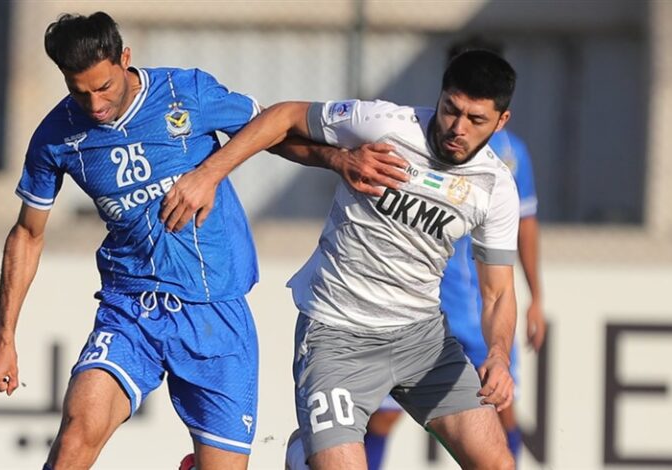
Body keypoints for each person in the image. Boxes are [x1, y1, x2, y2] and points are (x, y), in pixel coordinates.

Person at [0, 11, 408, 470]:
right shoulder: (55, 137)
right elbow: (26, 233)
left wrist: (338, 160)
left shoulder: (186, 93)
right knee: (76, 436)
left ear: (125, 59)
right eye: (80, 93)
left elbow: (271, 132)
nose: (95, 105)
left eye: (104, 88)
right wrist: (4, 336)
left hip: (214, 310)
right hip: (131, 307)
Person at [162, 50, 520, 469]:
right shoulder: (384, 124)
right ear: (439, 98)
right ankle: (304, 455)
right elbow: (283, 117)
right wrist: (210, 174)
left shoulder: (495, 188)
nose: (457, 128)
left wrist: (498, 353)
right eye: (450, 110)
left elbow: (497, 294)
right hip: (336, 337)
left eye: (475, 120)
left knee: (498, 465)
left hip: (423, 342)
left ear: (501, 121)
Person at [363, 38, 546, 469]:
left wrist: (537, 296)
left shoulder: (509, 157)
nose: (461, 122)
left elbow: (527, 224)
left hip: (476, 303)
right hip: (421, 303)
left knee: (501, 409)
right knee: (383, 418)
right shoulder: (415, 140)